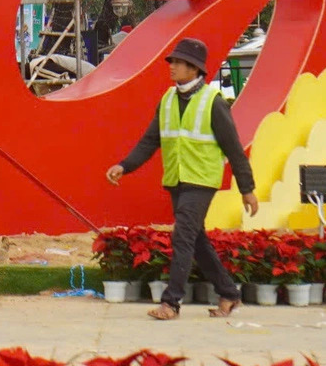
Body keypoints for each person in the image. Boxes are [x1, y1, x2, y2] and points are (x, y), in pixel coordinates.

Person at [106, 37, 259, 320]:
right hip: (177, 179)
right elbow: (150, 141)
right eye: (173, 62)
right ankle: (229, 293)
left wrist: (247, 189)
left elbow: (234, 150)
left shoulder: (213, 103)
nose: (172, 67)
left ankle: (171, 302)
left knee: (182, 236)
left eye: (178, 62)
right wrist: (124, 166)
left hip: (202, 181)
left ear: (194, 69)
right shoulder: (167, 99)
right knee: (196, 240)